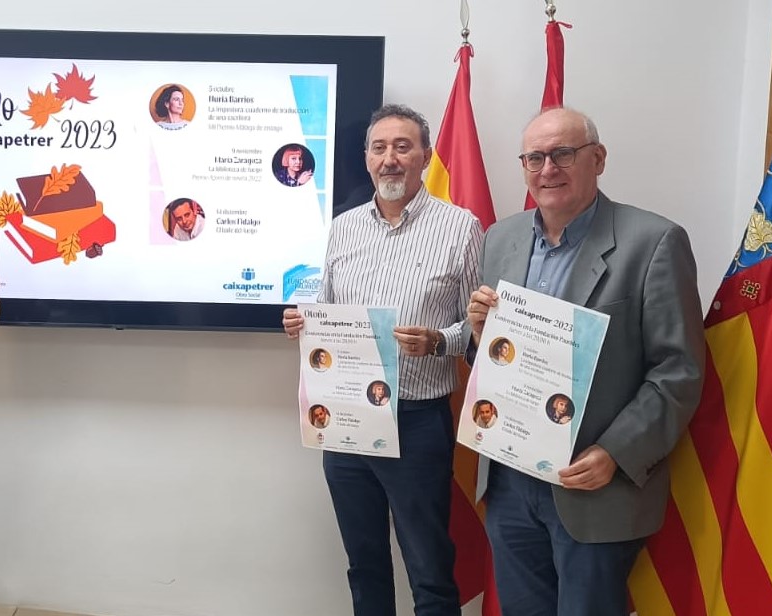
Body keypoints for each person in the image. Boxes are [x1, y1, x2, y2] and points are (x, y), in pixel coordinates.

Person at [465, 107, 705, 616]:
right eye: (535, 158)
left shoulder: (654, 242)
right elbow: (490, 356)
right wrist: (481, 335)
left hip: (594, 485)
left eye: (563, 154)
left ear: (598, 159)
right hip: (510, 481)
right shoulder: (500, 239)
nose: (548, 168)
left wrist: (616, 452)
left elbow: (678, 371)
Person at [283, 103, 482, 616]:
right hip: (345, 419)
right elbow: (327, 308)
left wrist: (437, 341)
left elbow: (481, 328)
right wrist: (304, 323)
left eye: (402, 147)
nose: (389, 158)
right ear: (367, 158)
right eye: (379, 148)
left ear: (425, 156)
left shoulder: (462, 227)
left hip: (416, 422)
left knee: (429, 567)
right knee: (364, 563)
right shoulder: (344, 228)